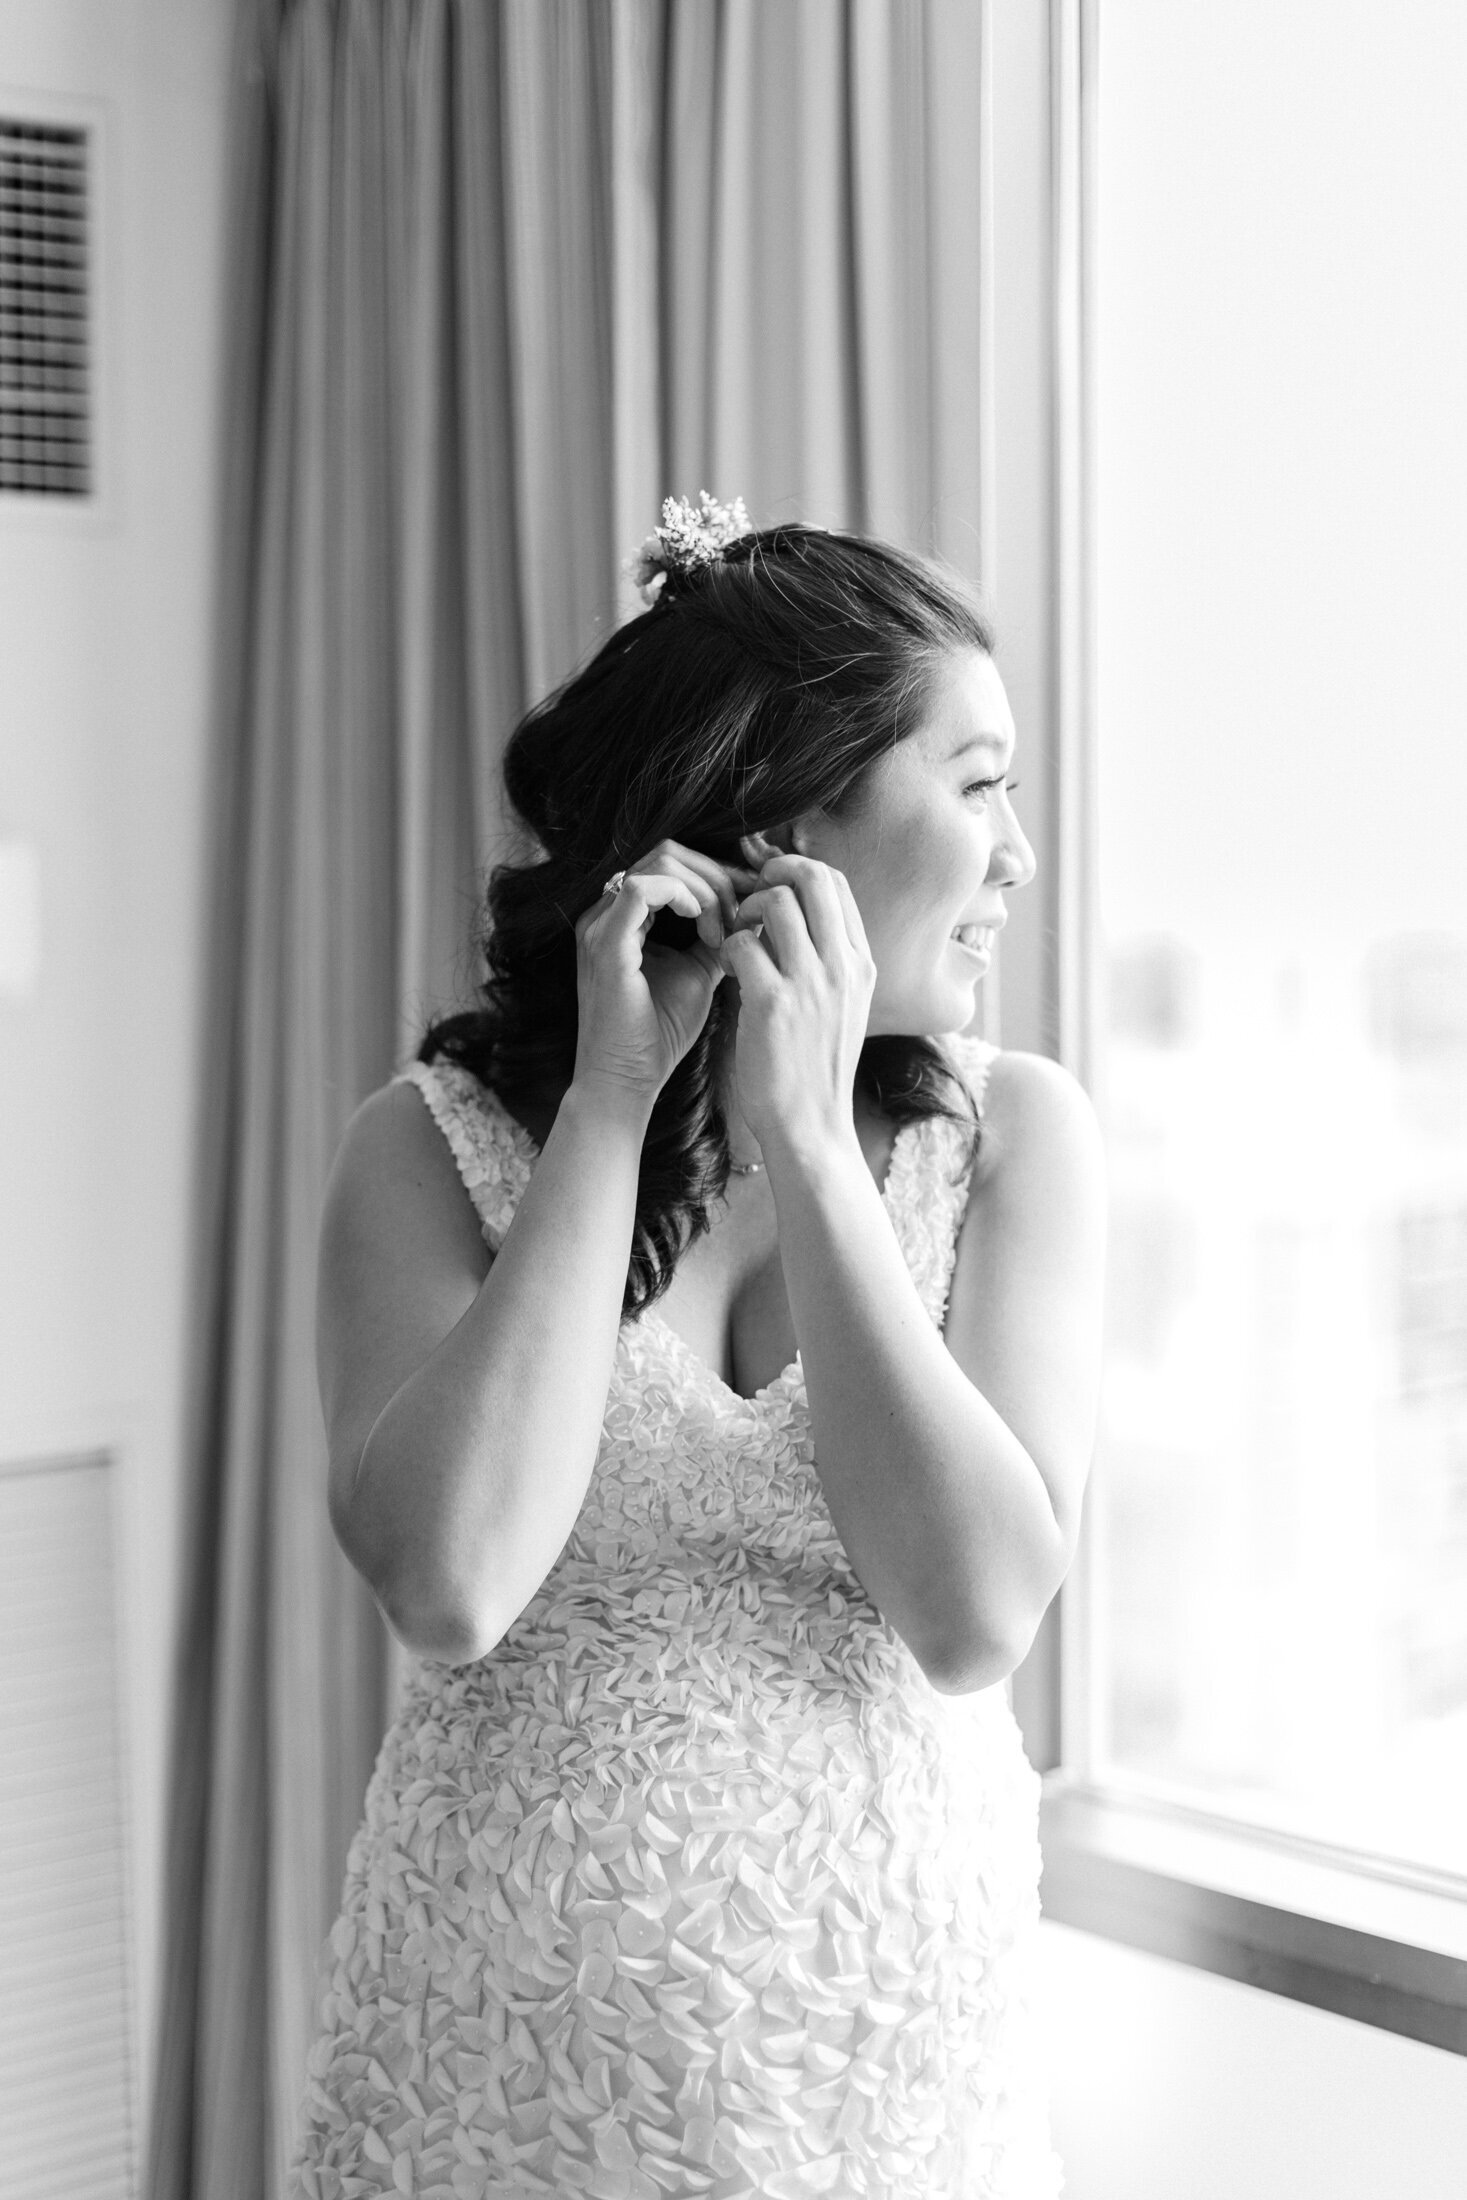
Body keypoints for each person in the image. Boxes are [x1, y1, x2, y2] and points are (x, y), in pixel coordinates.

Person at [288, 499, 1107, 2200]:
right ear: (786, 819)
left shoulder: (1016, 1139)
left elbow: (971, 1616)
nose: (1021, 852)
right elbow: (449, 1583)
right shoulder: (424, 1149)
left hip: (891, 2087)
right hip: (503, 2071)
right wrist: (609, 1101)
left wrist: (808, 1144)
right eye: (979, 785)